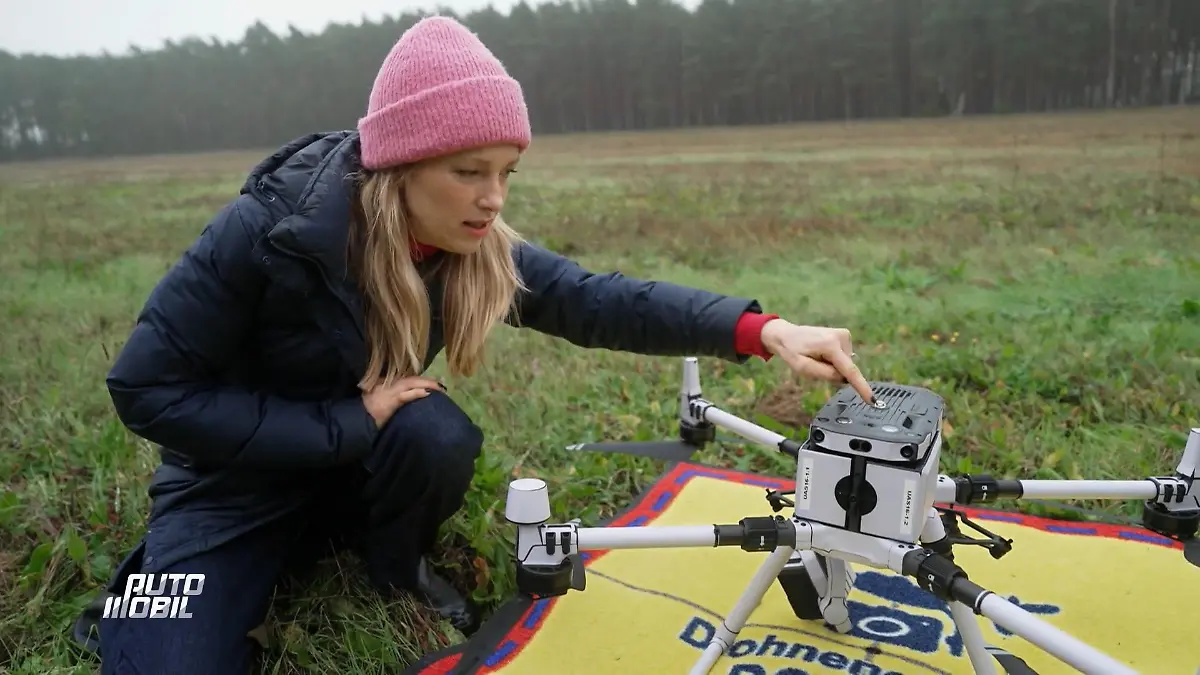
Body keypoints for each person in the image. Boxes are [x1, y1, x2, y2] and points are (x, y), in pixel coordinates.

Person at [71, 15, 875, 675]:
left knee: (435, 432)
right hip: (230, 488)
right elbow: (145, 388)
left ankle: (393, 567)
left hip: (356, 468)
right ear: (401, 164)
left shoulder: (469, 246)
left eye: (507, 172)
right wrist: (346, 422)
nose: (493, 199)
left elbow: (597, 298)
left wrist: (762, 329)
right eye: (468, 171)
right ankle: (179, 583)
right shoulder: (265, 230)